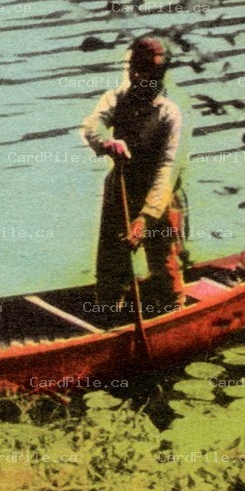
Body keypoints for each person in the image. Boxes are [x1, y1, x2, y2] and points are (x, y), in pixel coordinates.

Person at [81, 35, 186, 317]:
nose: (139, 76)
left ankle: (174, 317)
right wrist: (106, 142)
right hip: (122, 191)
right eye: (134, 68)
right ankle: (109, 317)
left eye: (147, 70)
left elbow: (167, 169)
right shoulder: (116, 99)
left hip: (159, 198)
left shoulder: (169, 114)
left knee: (164, 270)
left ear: (160, 74)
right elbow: (92, 126)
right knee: (111, 270)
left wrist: (145, 218)